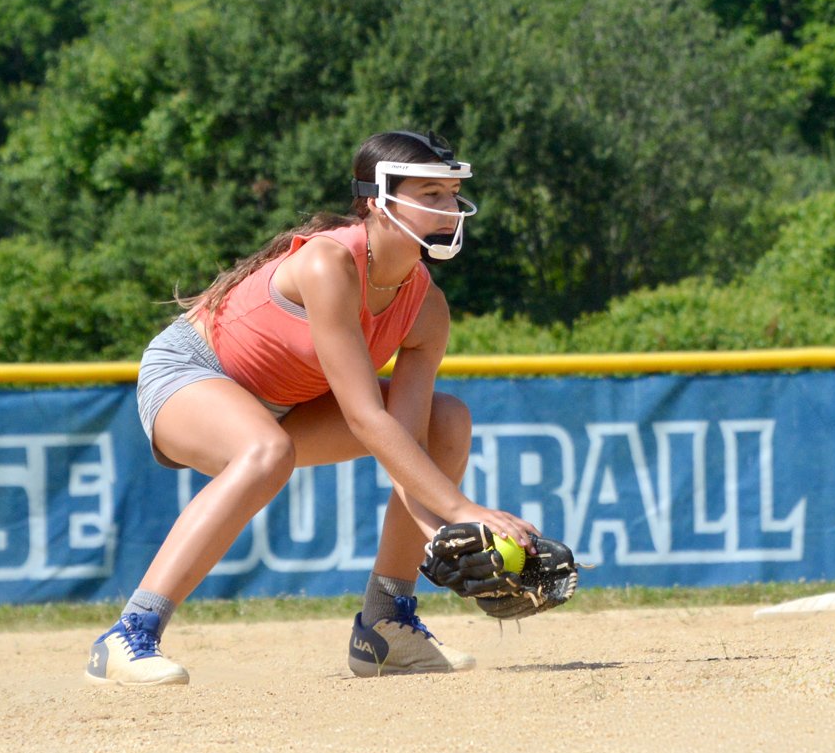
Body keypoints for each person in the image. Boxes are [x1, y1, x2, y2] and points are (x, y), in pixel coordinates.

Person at [85, 130, 538, 686]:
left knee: (448, 420)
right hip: (193, 372)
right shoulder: (331, 264)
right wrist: (465, 510)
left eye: (451, 195)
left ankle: (386, 627)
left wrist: (443, 529)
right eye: (430, 194)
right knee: (265, 450)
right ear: (378, 199)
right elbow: (366, 419)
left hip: (284, 404)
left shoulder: (428, 308)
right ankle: (129, 635)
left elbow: (409, 443)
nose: (447, 210)